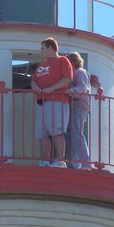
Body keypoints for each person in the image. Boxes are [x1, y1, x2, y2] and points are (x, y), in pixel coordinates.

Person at [31, 37, 73, 167]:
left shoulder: (63, 60)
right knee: (42, 133)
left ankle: (60, 160)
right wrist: (35, 87)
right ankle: (44, 160)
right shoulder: (41, 65)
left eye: (43, 48)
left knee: (57, 131)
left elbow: (67, 79)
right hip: (42, 102)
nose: (41, 51)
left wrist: (52, 88)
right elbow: (33, 80)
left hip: (58, 101)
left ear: (50, 47)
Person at [65, 52, 91, 169]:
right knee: (72, 133)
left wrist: (68, 91)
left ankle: (85, 162)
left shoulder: (80, 72)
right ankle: (75, 162)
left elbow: (82, 88)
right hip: (73, 105)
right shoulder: (76, 73)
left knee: (76, 132)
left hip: (79, 105)